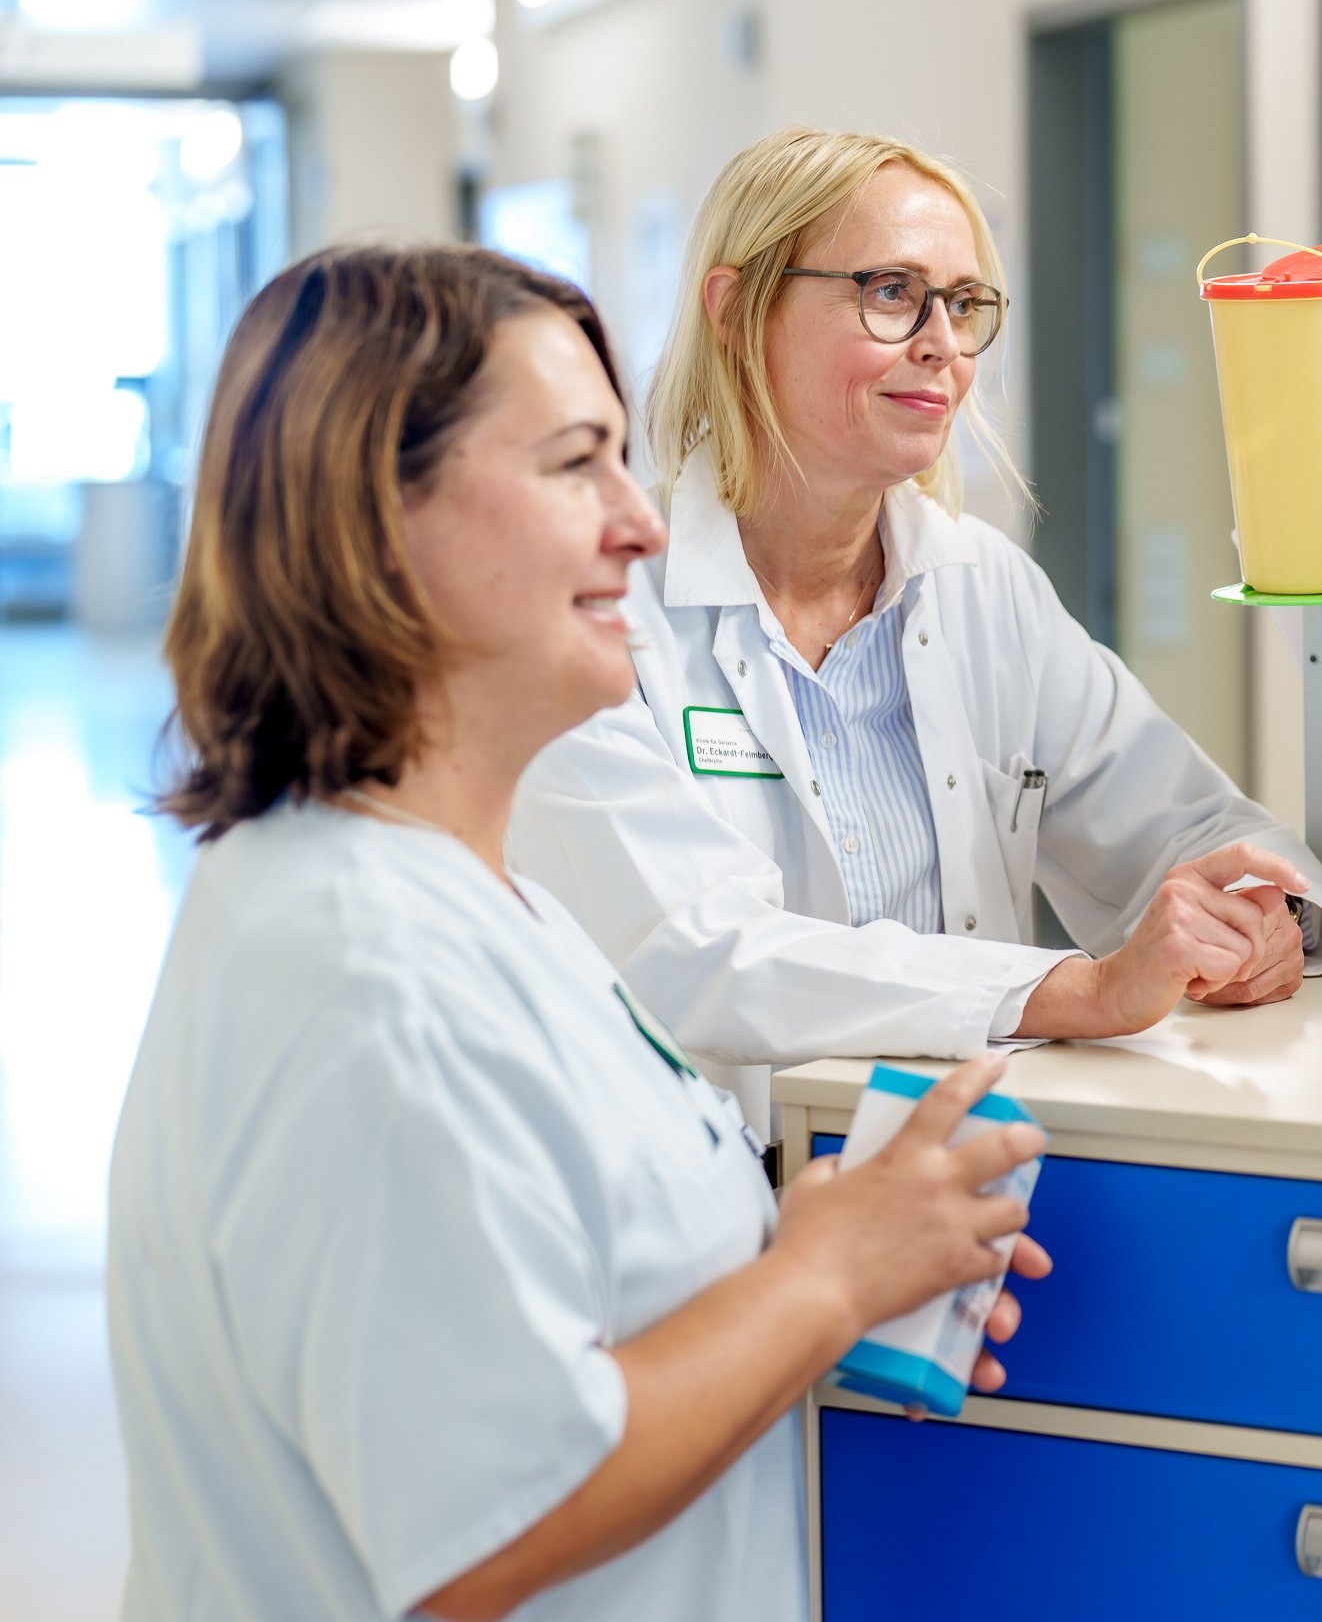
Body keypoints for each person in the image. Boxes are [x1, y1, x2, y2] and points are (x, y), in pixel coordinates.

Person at [108, 245, 1050, 1622]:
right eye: (574, 465)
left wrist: (836, 1259)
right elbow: (489, 1523)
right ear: (376, 519)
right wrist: (820, 1276)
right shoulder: (368, 975)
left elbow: (555, 1301)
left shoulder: (497, 907)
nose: (645, 524)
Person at [512, 127, 1322, 1129]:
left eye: (963, 306)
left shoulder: (981, 590)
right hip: (701, 1209)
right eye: (890, 293)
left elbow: (1184, 825)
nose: (941, 345)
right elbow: (700, 953)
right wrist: (1078, 991)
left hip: (948, 1194)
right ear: (736, 311)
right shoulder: (599, 609)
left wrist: (1260, 918)